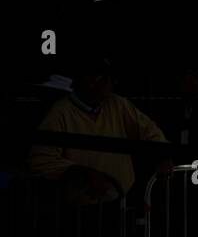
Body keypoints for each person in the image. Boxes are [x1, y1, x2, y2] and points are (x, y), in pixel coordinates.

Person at [29, 56, 171, 204]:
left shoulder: (118, 104)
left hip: (123, 200)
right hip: (82, 207)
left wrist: (162, 153)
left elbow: (148, 129)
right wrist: (82, 174)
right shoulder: (61, 112)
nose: (112, 84)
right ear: (90, 81)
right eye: (106, 79)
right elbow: (41, 158)